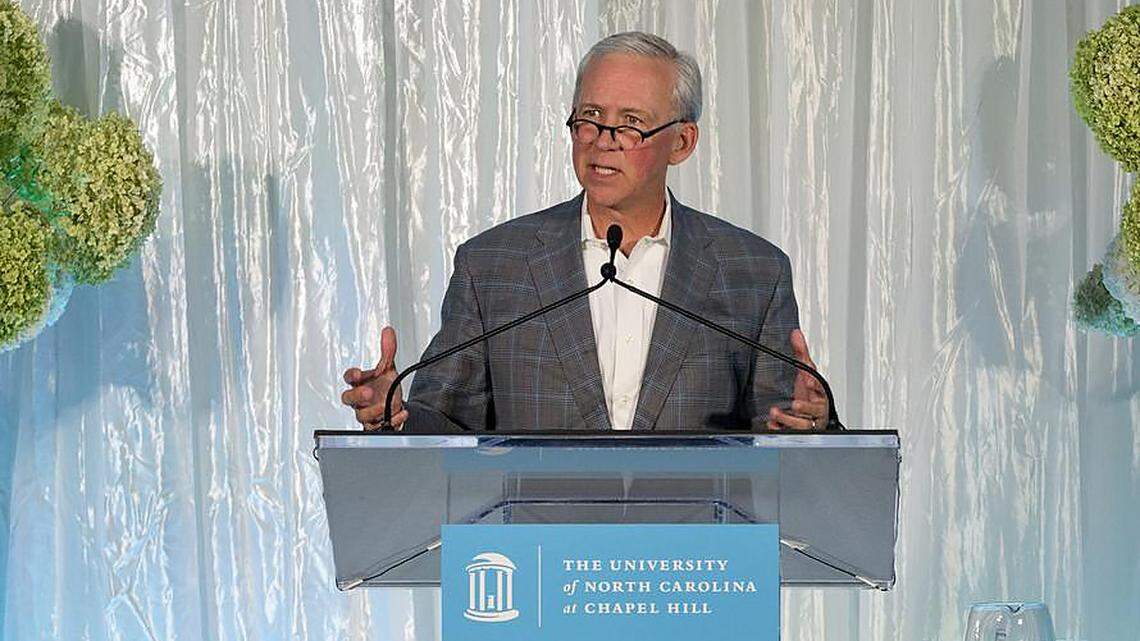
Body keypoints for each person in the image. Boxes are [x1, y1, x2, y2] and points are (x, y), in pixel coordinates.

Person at [341, 31, 830, 432]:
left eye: (630, 123)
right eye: (590, 119)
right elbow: (445, 424)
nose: (602, 142)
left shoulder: (752, 271)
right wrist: (396, 415)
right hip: (537, 546)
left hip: (694, 548)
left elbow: (784, 431)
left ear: (681, 142)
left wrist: (815, 426)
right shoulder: (494, 265)